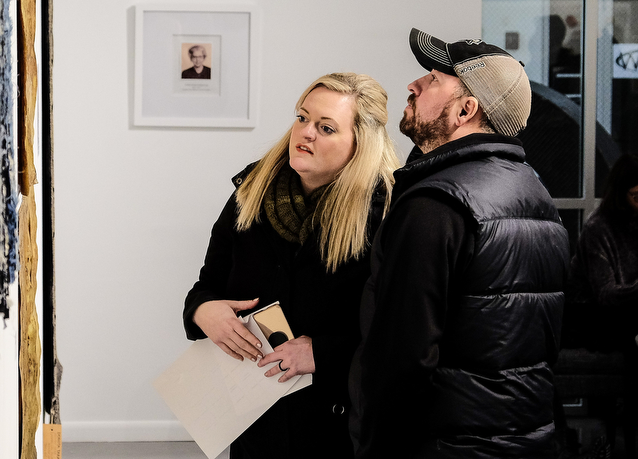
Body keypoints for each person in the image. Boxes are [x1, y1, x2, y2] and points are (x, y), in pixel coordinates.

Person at [348, 28, 570, 458]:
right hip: (523, 442)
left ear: (466, 109)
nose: (413, 85)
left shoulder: (436, 205)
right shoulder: (539, 201)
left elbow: (403, 361)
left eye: (432, 79)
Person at [183, 72, 400, 458]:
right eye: (302, 117)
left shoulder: (387, 213)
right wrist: (204, 311)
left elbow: (401, 332)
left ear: (359, 143)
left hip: (338, 426)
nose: (305, 133)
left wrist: (323, 353)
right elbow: (206, 285)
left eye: (326, 127)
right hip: (256, 419)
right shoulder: (251, 192)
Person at [566, 153, 638, 458]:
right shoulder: (600, 228)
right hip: (590, 318)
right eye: (636, 196)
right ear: (621, 195)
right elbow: (606, 296)